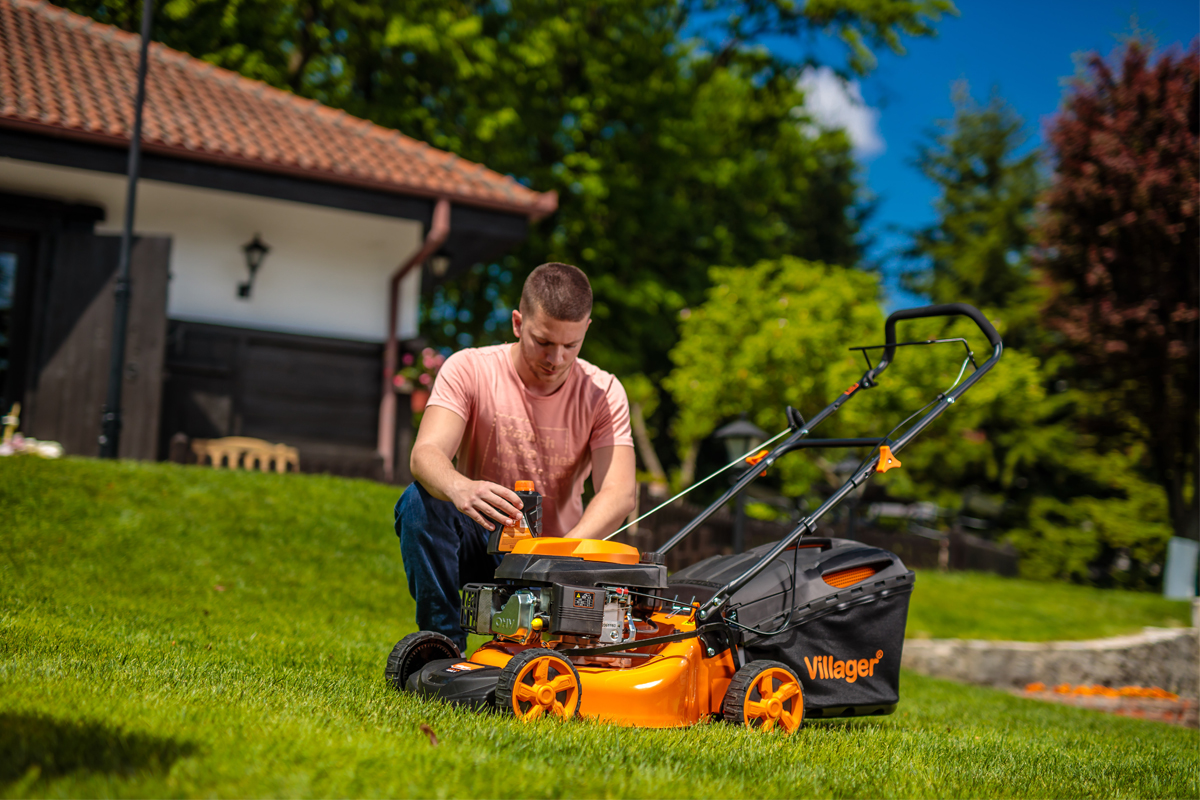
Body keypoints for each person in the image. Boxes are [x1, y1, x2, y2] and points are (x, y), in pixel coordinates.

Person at [394, 262, 637, 649]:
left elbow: (619, 492)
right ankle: (443, 645)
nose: (556, 358)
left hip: (560, 561)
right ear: (518, 323)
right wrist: (460, 487)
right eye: (543, 342)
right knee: (418, 502)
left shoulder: (604, 392)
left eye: (570, 346)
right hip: (480, 549)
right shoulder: (469, 368)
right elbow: (425, 453)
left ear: (586, 330)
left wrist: (562, 552)